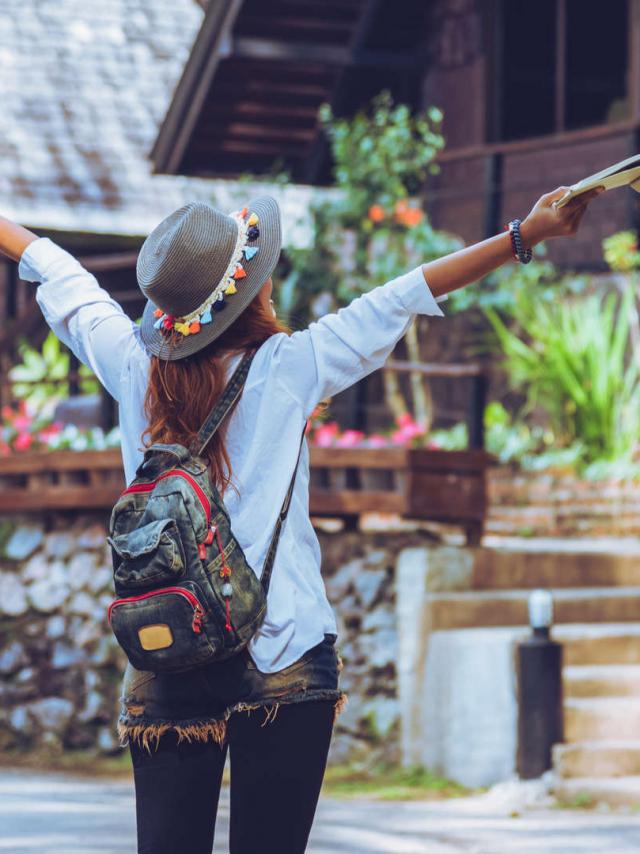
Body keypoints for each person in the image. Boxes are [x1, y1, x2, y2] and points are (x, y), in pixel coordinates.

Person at [0, 184, 600, 853]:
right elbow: (402, 295)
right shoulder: (289, 366)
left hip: (171, 645)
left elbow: (58, 271)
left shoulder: (129, 362)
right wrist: (526, 233)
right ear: (249, 293)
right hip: (282, 652)